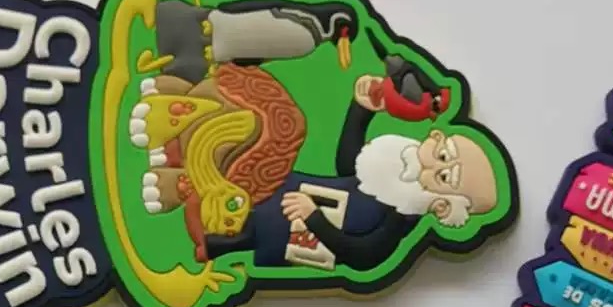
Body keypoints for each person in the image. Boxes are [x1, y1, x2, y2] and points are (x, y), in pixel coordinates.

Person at [207, 54, 499, 273]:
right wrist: (361, 110)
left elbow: (363, 255)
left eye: (444, 178)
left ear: (445, 206)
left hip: (279, 237)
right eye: (443, 157)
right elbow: (350, 167)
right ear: (435, 138)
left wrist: (313, 217)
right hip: (271, 192)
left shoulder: (399, 218)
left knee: (230, 240)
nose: (431, 168)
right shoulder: (388, 181)